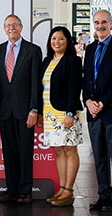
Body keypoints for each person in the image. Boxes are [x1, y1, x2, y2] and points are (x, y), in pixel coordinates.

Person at [82, 10, 112, 212]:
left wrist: (101, 103)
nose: (100, 25)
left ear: (111, 24)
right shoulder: (91, 48)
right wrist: (88, 101)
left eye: (104, 22)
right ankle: (104, 195)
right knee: (99, 156)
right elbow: (86, 80)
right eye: (97, 22)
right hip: (93, 112)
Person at [0, 14, 42, 204]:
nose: (11, 28)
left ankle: (25, 190)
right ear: (4, 29)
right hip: (4, 110)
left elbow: (36, 83)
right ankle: (11, 189)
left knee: (24, 151)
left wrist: (34, 109)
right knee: (9, 151)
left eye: (15, 25)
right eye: (8, 25)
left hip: (25, 111)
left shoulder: (33, 50)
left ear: (21, 27)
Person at [41, 26, 83, 207]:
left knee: (69, 149)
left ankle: (69, 190)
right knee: (58, 150)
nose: (56, 42)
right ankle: (61, 189)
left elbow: (74, 89)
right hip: (49, 113)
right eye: (53, 39)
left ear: (68, 42)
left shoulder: (72, 61)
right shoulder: (47, 60)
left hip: (66, 112)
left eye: (61, 39)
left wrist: (70, 113)